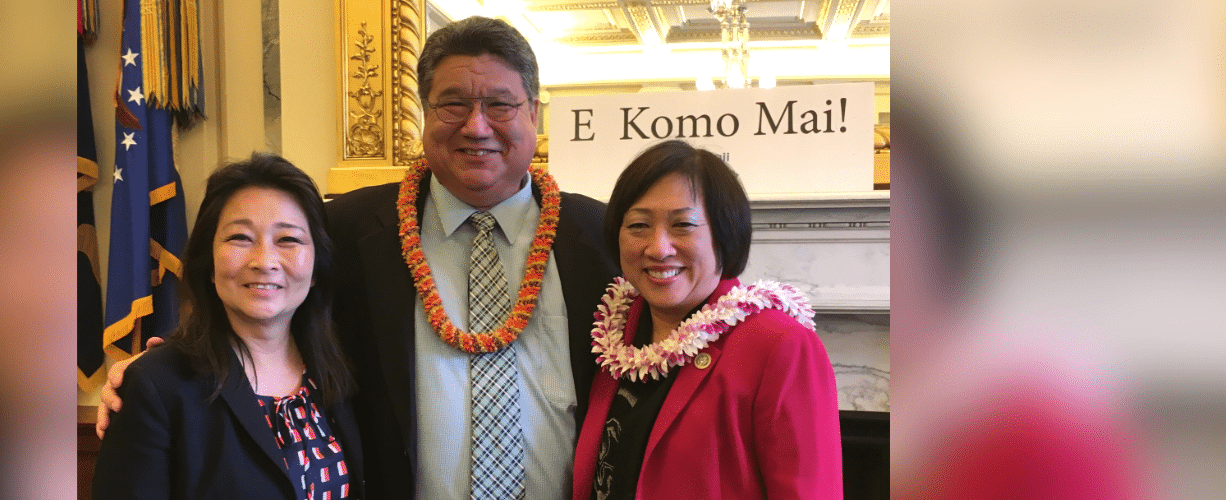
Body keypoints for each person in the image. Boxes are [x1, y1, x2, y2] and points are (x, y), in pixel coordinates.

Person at [98, 15, 617, 500]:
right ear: (424, 113)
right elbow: (265, 311)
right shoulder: (343, 231)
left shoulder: (604, 239)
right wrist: (153, 373)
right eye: (453, 104)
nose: (476, 126)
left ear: (533, 111)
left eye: (500, 105)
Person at [571, 140, 842, 500]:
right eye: (638, 225)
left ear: (725, 233)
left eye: (682, 224)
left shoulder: (781, 345)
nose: (658, 248)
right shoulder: (615, 333)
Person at [92, 154, 362, 499]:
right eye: (240, 238)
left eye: (288, 240)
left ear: (316, 268)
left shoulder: (341, 371)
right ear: (208, 260)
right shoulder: (156, 386)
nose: (264, 261)